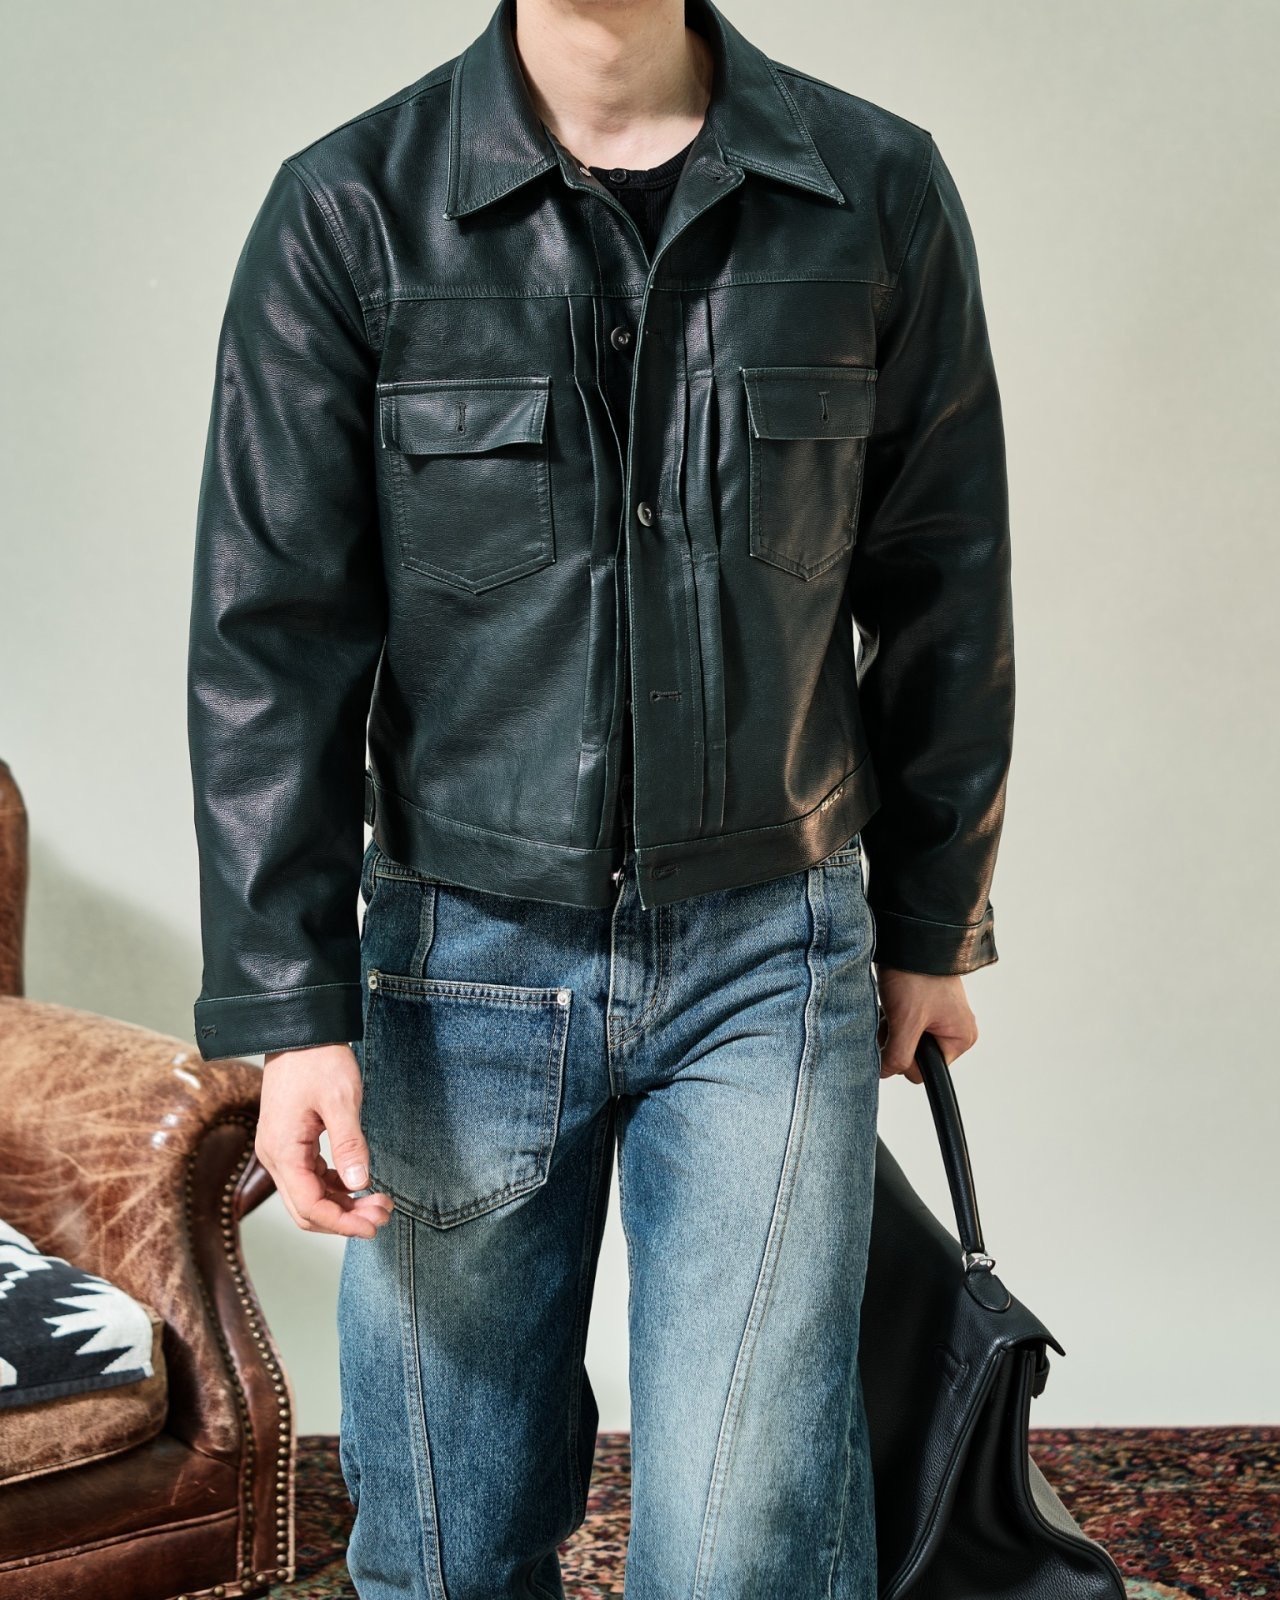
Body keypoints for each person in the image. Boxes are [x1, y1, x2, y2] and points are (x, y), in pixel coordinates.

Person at [186, 0, 1013, 1594]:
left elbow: (945, 585)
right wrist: (293, 1014)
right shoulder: (348, 209)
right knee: (449, 1541)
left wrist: (930, 924)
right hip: (457, 967)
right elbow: (270, 640)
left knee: (745, 1548)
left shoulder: (876, 188)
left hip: (773, 955)